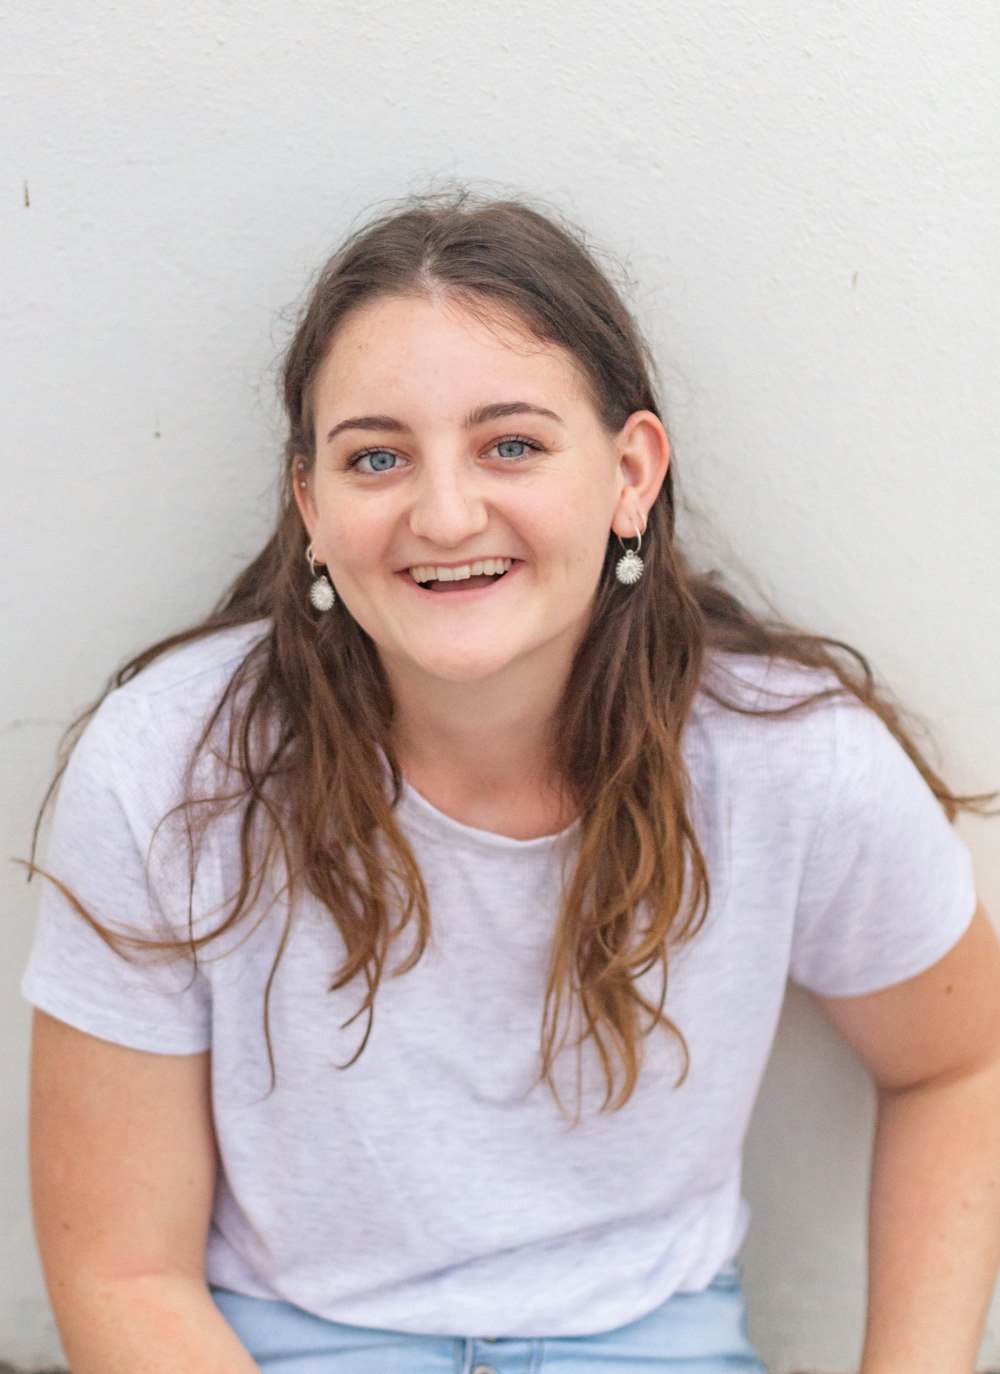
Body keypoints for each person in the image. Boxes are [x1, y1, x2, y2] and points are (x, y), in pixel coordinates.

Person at [22, 192, 1000, 1374]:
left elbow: (963, 1060)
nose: (444, 513)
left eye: (512, 445)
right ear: (311, 507)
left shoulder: (789, 759)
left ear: (630, 473)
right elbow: (122, 1272)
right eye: (376, 457)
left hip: (649, 1346)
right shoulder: (169, 765)